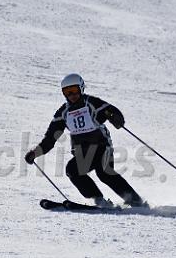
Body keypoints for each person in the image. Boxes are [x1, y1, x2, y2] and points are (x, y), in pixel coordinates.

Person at [24, 74, 146, 208]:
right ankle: (99, 201)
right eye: (67, 92)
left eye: (74, 90)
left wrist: (115, 118)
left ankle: (135, 200)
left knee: (104, 173)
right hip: (83, 153)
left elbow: (111, 111)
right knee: (72, 170)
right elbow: (49, 139)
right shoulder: (63, 113)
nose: (72, 95)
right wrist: (34, 153)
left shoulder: (92, 103)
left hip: (102, 147)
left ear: (81, 88)